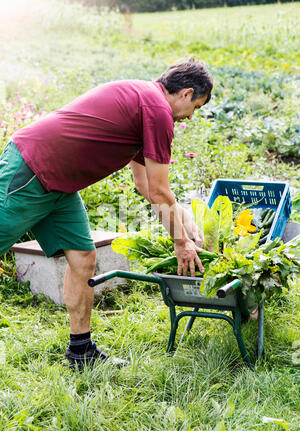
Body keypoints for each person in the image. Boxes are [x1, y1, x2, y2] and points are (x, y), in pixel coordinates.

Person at [0, 57, 213, 369]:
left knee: (84, 258)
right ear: (186, 93)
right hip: (32, 169)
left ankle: (80, 352)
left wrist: (184, 222)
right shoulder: (156, 111)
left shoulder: (145, 103)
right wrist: (181, 243)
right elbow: (158, 191)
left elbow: (144, 184)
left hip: (60, 186)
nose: (191, 117)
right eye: (196, 107)